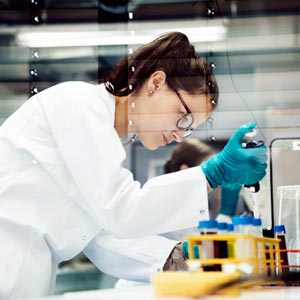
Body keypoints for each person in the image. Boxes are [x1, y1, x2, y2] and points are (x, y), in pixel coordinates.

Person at [0, 32, 267, 299]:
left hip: (24, 272)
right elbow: (120, 211)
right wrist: (213, 173)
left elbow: (101, 235)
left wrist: (180, 256)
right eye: (183, 118)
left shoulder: (107, 138)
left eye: (188, 130)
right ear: (156, 83)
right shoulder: (79, 104)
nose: (178, 135)